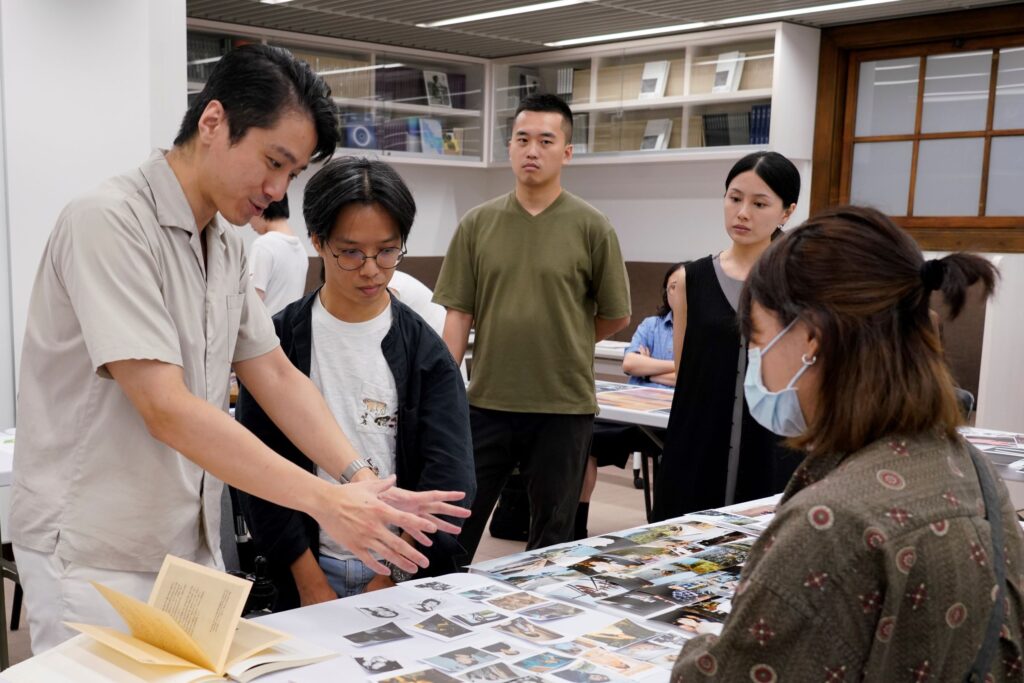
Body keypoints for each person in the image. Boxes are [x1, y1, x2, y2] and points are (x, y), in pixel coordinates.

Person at [9, 44, 468, 653]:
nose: (277, 189)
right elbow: (165, 408)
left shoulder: (224, 242)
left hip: (184, 538)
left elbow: (273, 373)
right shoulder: (109, 222)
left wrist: (360, 482)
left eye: (293, 173)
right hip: (96, 545)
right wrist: (327, 501)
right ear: (213, 122)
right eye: (272, 162)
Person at [672, 206, 1024, 680]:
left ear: (811, 339)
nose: (755, 359)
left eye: (756, 339)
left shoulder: (832, 521)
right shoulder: (976, 474)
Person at [236, 157, 475, 607]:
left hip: (404, 572)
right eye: (351, 252)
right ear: (317, 242)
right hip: (304, 566)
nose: (371, 269)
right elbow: (258, 472)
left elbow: (450, 481)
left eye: (387, 251)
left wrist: (392, 575)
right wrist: (309, 582)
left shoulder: (425, 351)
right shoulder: (277, 344)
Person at [433, 93, 631, 563]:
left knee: (552, 538)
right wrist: (444, 390)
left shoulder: (592, 226)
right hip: (485, 403)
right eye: (522, 139)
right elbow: (458, 313)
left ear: (566, 151)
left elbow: (616, 314)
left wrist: (566, 339)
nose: (532, 150)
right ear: (510, 147)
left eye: (546, 140)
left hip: (563, 406)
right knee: (455, 526)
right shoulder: (477, 224)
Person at [653, 151, 803, 520]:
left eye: (760, 203)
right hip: (697, 443)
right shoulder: (692, 278)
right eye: (734, 198)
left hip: (773, 448)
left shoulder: (800, 283)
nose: (742, 213)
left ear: (787, 212)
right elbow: (684, 369)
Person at [576, 262, 683, 538]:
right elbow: (631, 363)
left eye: (682, 288)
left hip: (672, 420)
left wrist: (652, 367)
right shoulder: (652, 325)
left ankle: (664, 528)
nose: (677, 293)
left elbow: (692, 375)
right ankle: (576, 525)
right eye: (672, 287)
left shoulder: (700, 329)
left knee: (674, 453)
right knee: (585, 441)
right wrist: (670, 367)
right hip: (633, 416)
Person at [248, 195, 309, 315]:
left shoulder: (263, 245)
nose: (248, 221)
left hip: (265, 331)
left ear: (261, 208)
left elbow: (253, 302)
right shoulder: (301, 250)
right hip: (288, 331)